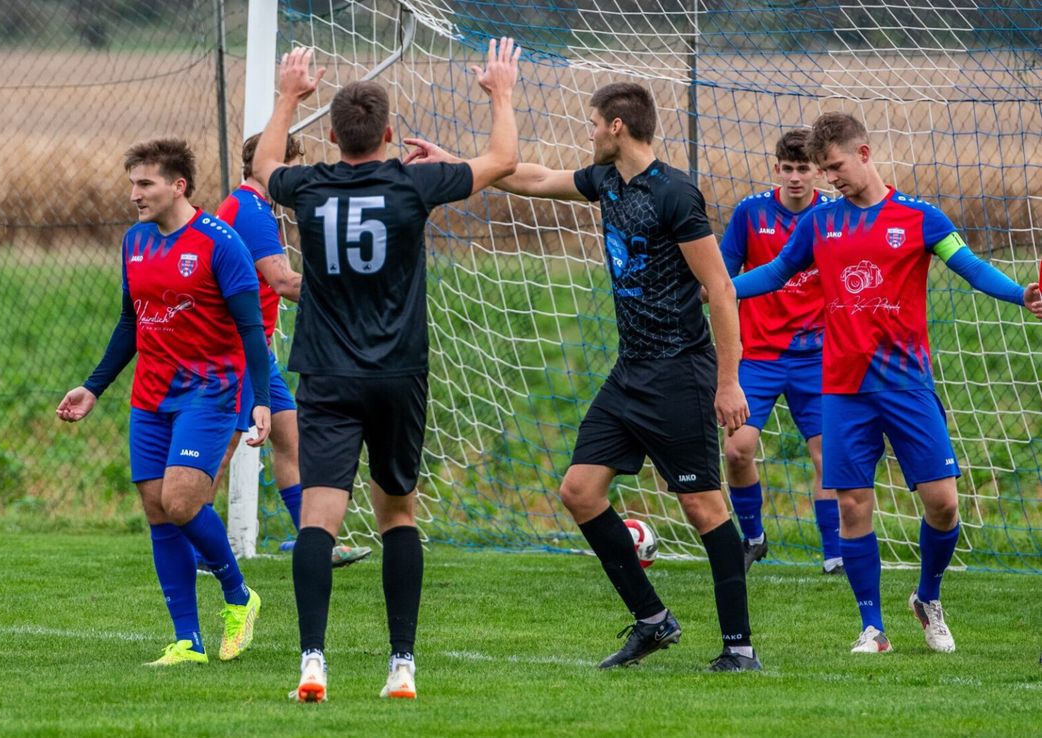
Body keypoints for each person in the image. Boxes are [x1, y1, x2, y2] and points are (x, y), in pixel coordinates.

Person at [407, 81, 760, 672]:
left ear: (617, 127)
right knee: (579, 491)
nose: (589, 132)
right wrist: (455, 167)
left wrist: (729, 382)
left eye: (594, 123)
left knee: (703, 508)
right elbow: (535, 179)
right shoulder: (607, 182)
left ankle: (739, 649)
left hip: (681, 373)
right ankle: (653, 621)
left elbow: (720, 290)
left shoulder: (675, 194)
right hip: (631, 373)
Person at [249, 39, 521, 702]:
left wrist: (288, 96)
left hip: (328, 375)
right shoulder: (412, 182)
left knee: (319, 518)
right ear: (392, 135)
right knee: (397, 514)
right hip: (399, 374)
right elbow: (504, 160)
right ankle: (402, 665)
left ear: (334, 136)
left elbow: (262, 169)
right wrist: (501, 94)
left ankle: (312, 661)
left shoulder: (307, 184)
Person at [732, 112, 1042, 654]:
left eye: (836, 167)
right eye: (825, 171)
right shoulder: (820, 225)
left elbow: (969, 267)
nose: (831, 179)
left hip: (906, 385)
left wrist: (1021, 295)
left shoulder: (919, 218)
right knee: (853, 504)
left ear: (865, 154)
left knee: (943, 503)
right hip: (844, 389)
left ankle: (927, 597)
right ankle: (872, 627)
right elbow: (777, 273)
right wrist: (720, 288)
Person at [56, 138, 271, 667]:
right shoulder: (134, 242)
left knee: (180, 502)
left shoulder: (221, 243)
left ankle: (240, 597)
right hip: (150, 396)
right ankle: (187, 642)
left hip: (210, 391)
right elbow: (131, 322)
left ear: (178, 186)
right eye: (131, 183)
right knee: (157, 512)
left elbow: (252, 331)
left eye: (145, 183)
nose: (134, 194)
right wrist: (94, 386)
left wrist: (260, 401)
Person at [208, 132, 372, 570]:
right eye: (297, 166)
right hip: (236, 350)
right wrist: (353, 286)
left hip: (255, 350)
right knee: (219, 447)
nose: (301, 176)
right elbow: (284, 282)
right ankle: (195, 548)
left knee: (291, 440)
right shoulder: (252, 212)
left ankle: (314, 540)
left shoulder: (251, 207)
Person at [719, 129, 842, 574]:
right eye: (787, 168)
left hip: (818, 356)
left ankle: (835, 554)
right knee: (737, 450)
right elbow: (722, 278)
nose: (795, 177)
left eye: (804, 169)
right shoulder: (751, 213)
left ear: (818, 172)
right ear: (776, 169)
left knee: (829, 456)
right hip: (758, 356)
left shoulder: (835, 214)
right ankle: (753, 538)